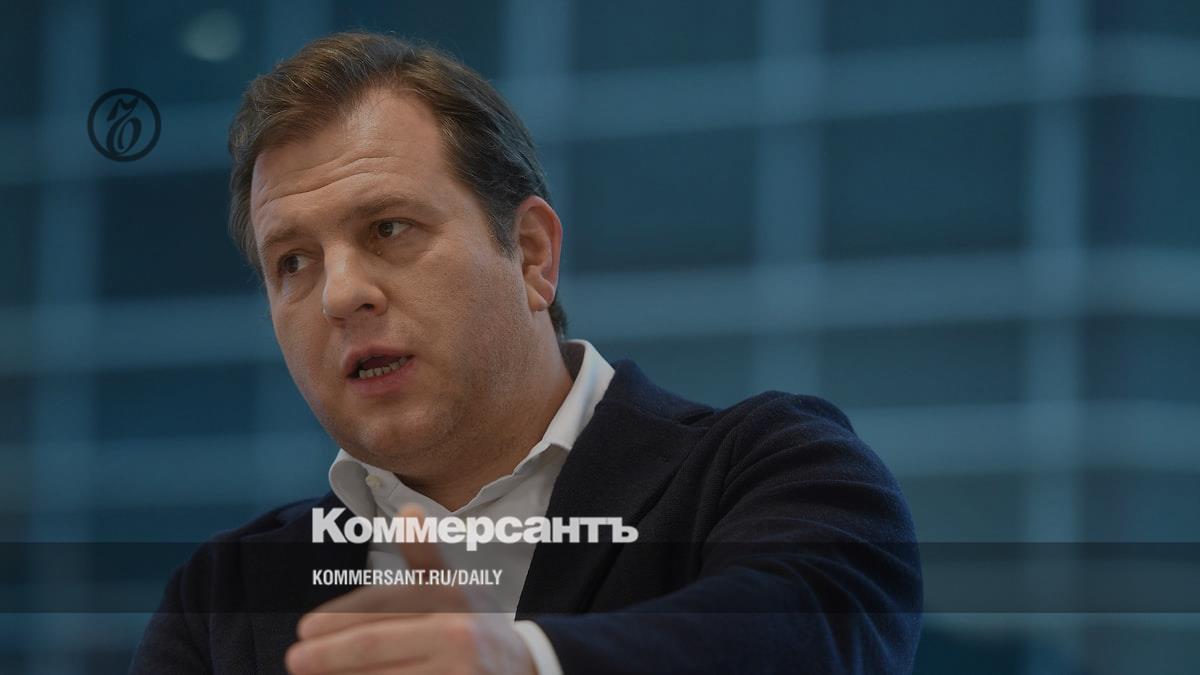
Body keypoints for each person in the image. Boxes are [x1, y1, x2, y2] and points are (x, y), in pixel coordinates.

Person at [130, 31, 922, 675]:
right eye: (293, 262)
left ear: (533, 254)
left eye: (389, 228)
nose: (340, 294)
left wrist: (522, 663)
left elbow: (806, 634)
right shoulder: (224, 594)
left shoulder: (772, 466)